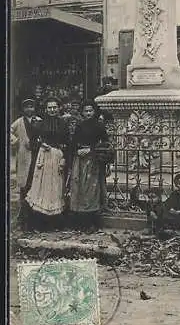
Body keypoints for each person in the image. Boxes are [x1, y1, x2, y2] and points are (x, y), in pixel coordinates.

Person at [24, 97, 69, 231]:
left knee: (55, 188)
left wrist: (64, 158)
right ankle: (40, 223)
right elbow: (32, 142)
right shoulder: (40, 124)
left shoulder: (63, 124)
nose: (52, 110)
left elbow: (67, 143)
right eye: (50, 108)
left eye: (55, 107)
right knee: (41, 189)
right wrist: (40, 144)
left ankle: (54, 223)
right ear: (46, 109)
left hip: (57, 158)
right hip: (43, 158)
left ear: (59, 108)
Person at [69, 100, 109, 232]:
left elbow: (105, 144)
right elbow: (74, 142)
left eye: (90, 111)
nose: (88, 113)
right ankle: (81, 221)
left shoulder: (99, 126)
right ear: (82, 112)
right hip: (80, 160)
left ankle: (92, 221)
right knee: (80, 188)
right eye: (86, 111)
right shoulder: (79, 126)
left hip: (94, 161)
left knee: (92, 190)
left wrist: (92, 149)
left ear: (94, 112)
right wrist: (77, 150)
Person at [10, 98, 42, 229]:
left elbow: (44, 135)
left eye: (31, 107)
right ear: (23, 109)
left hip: (37, 154)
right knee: (24, 187)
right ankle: (23, 218)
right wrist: (15, 141)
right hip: (24, 156)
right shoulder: (18, 122)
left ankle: (35, 219)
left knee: (35, 185)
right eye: (27, 107)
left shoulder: (39, 121)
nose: (29, 109)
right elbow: (9, 132)